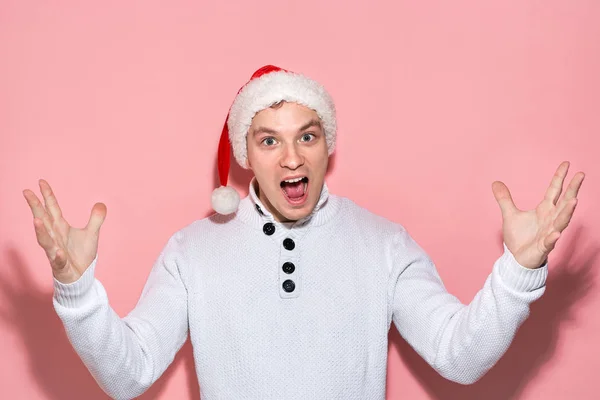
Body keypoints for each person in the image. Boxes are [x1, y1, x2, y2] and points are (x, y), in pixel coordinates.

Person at [23, 65, 585, 400]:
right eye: (269, 140)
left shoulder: (383, 243)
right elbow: (129, 374)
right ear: (247, 155)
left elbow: (459, 356)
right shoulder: (192, 251)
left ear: (327, 144)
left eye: (307, 136)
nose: (291, 157)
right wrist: (77, 290)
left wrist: (518, 269)